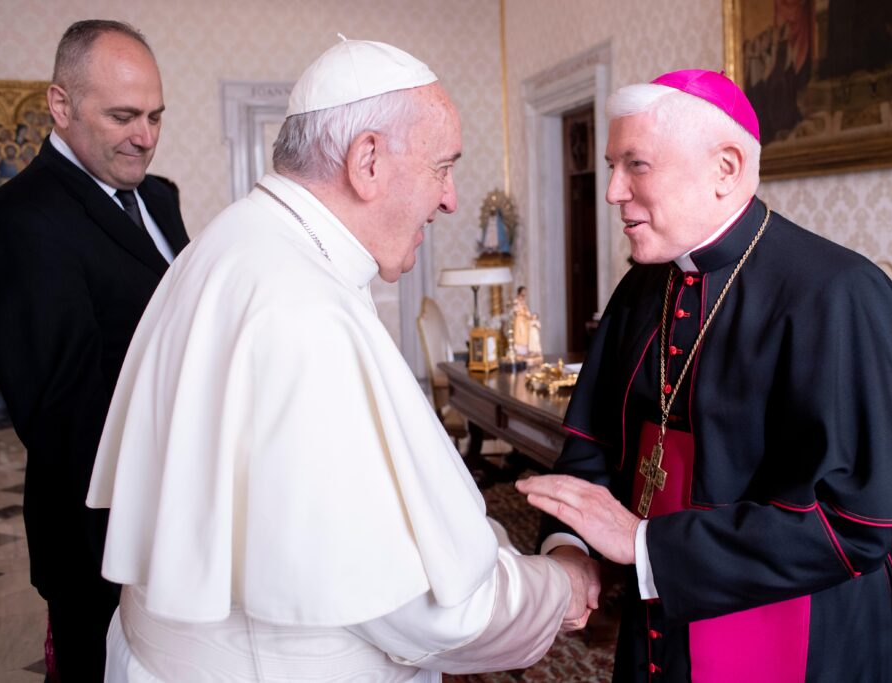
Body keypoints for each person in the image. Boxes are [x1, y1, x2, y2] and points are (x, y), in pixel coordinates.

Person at [86, 37, 594, 681]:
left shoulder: (230, 243)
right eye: (443, 167)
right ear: (369, 160)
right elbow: (435, 610)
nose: (451, 200)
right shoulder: (302, 309)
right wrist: (559, 584)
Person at [517, 69, 892, 682]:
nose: (613, 190)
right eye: (612, 165)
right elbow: (593, 447)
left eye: (636, 165)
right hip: (662, 620)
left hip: (801, 633)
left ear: (726, 168)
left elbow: (853, 526)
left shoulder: (838, 295)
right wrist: (570, 551)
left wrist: (646, 548)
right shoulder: (644, 285)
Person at [0, 20, 188, 681]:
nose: (146, 136)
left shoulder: (159, 197)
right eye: (123, 115)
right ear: (60, 105)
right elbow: (62, 416)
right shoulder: (20, 220)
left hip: (180, 518)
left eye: (155, 115)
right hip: (97, 533)